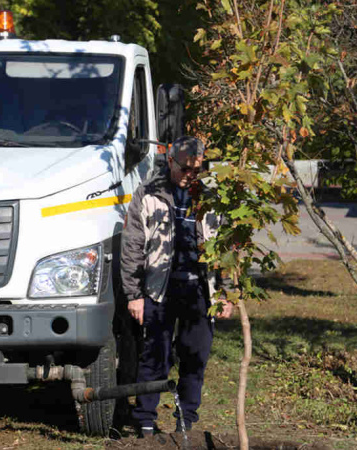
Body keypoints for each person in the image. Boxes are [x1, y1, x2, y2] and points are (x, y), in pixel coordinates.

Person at [120, 135, 233, 437]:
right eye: (185, 169)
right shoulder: (148, 195)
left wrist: (226, 292)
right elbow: (132, 246)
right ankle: (144, 422)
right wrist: (134, 295)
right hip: (160, 291)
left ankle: (186, 424)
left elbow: (224, 250)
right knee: (156, 357)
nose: (190, 176)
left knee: (195, 357)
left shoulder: (210, 198)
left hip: (200, 291)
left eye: (197, 170)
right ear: (170, 161)